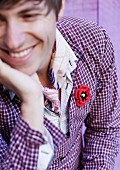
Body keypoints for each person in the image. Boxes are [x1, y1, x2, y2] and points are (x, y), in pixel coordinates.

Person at [0, 0, 119, 169]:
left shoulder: (94, 43)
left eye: (29, 16)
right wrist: (32, 100)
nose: (13, 42)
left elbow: (103, 130)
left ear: (59, 7)